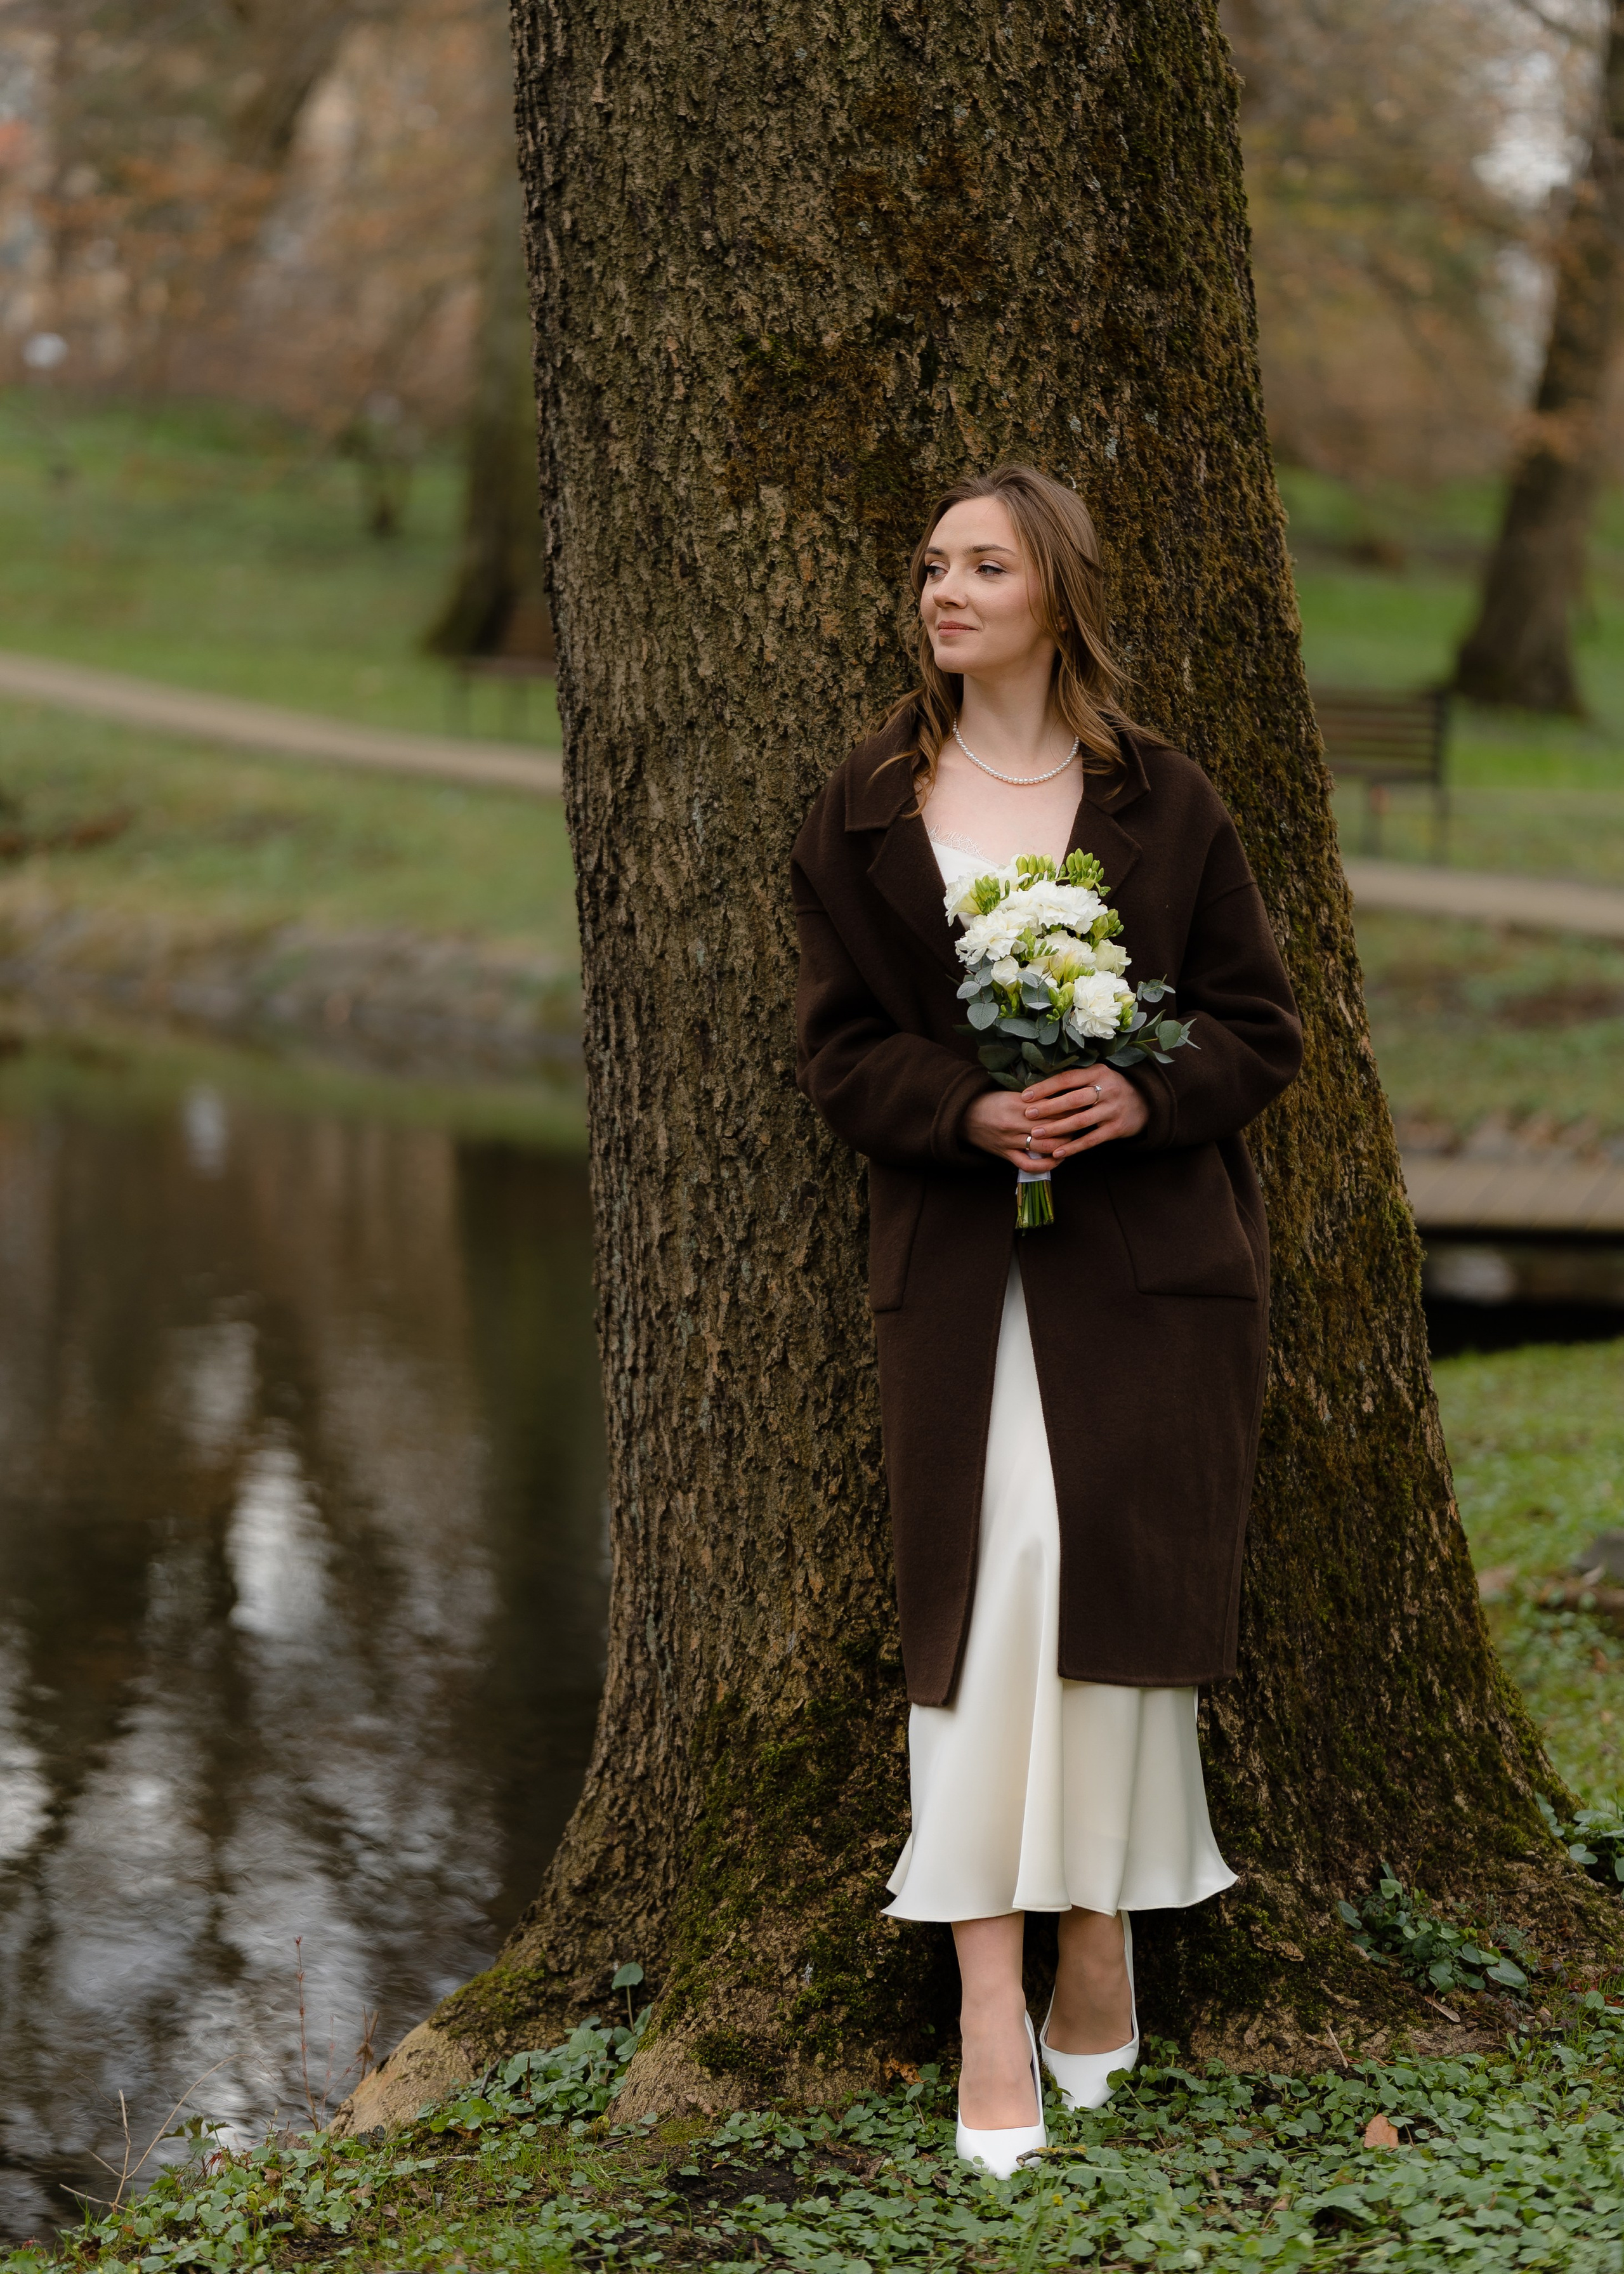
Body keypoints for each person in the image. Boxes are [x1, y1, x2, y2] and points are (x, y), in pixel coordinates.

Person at [791, 466, 1302, 2176]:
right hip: (956, 1284)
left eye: (982, 566)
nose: (942, 591)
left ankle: (1104, 1938)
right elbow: (840, 1049)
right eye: (931, 564)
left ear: (1055, 598)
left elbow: (1257, 1028)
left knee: (1112, 1616)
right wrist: (968, 1111)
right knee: (989, 1606)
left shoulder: (1166, 800)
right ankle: (985, 2004)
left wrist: (1133, 1096)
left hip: (1147, 1285)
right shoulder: (866, 804)